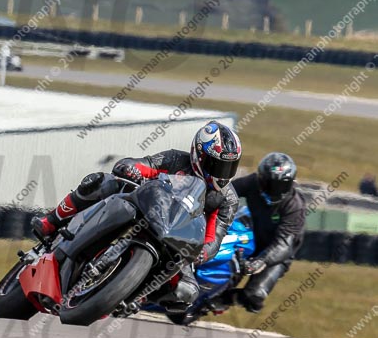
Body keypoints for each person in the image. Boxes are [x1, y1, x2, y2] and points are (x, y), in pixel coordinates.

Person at [31, 120, 242, 312]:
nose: (222, 174)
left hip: (178, 239)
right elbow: (138, 164)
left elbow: (215, 237)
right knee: (102, 181)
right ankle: (52, 221)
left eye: (229, 167)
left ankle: (133, 297)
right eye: (217, 165)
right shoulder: (176, 159)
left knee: (186, 292)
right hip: (145, 209)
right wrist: (131, 169)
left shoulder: (227, 198)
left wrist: (201, 253)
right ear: (199, 155)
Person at [225, 152, 306, 314]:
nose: (272, 190)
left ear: (290, 183)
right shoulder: (252, 182)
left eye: (279, 186)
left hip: (276, 254)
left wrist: (261, 261)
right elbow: (227, 191)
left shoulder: (294, 206)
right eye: (268, 183)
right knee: (222, 268)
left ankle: (227, 299)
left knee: (254, 297)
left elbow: (284, 244)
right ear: (261, 178)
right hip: (251, 239)